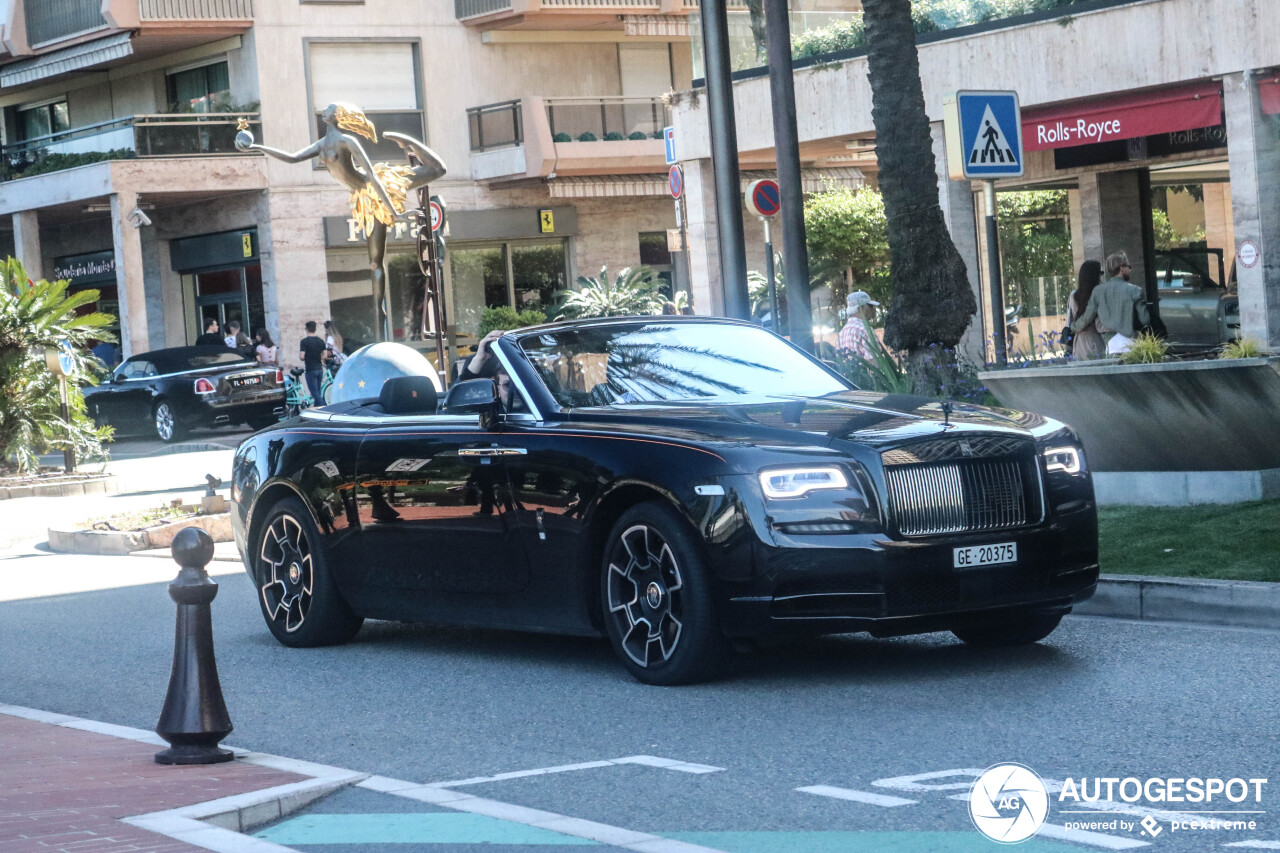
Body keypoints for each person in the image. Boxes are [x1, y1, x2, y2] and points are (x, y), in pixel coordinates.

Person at [240, 103, 446, 342]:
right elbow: (292, 157)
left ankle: (409, 142)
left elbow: (371, 176)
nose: (324, 110)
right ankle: (380, 326)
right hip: (363, 198)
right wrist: (256, 146)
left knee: (437, 169)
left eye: (330, 108)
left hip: (378, 190)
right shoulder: (322, 144)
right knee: (374, 263)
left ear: (338, 117)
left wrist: (393, 210)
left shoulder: (348, 140)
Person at [1071, 251, 1150, 355]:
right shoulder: (1135, 290)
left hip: (1109, 341)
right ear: (1122, 268)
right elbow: (1145, 320)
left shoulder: (1098, 291)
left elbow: (1087, 317)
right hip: (1130, 340)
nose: (1130, 270)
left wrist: (1073, 327)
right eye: (1128, 267)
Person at [1067, 260, 1106, 360]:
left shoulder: (1073, 296)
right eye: (1100, 273)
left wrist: (1073, 327)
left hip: (1078, 343)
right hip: (1095, 340)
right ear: (1094, 275)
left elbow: (1070, 321)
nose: (1101, 276)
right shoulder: (1098, 294)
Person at [838, 290, 879, 361]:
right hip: (864, 372)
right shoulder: (865, 330)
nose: (872, 309)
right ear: (861, 308)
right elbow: (874, 361)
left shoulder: (842, 332)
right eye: (870, 306)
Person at [299, 321, 327, 404]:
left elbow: (302, 356)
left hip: (310, 369)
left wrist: (308, 357)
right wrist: (318, 357)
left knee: (314, 393)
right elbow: (325, 355)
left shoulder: (304, 342)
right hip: (319, 368)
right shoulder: (320, 341)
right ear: (315, 329)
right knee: (318, 391)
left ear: (307, 329)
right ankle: (317, 410)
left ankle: (324, 406)